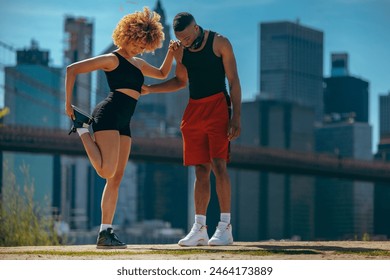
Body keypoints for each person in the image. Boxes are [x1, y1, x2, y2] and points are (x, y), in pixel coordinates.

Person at [65, 7, 175, 249]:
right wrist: (68, 105)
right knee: (106, 171)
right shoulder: (112, 59)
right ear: (128, 36)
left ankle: (105, 233)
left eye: (144, 46)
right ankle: (83, 129)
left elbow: (163, 73)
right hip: (108, 114)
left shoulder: (138, 63)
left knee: (116, 178)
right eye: (137, 44)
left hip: (125, 120)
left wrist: (171, 52)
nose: (139, 49)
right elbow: (72, 69)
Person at [143, 12, 241, 246]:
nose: (184, 42)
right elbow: (180, 81)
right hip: (194, 110)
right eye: (180, 38)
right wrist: (150, 89)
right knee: (200, 170)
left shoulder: (220, 42)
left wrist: (236, 116)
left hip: (217, 106)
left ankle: (225, 226)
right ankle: (199, 228)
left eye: (187, 37)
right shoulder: (181, 49)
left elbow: (234, 80)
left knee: (219, 164)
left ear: (196, 28)